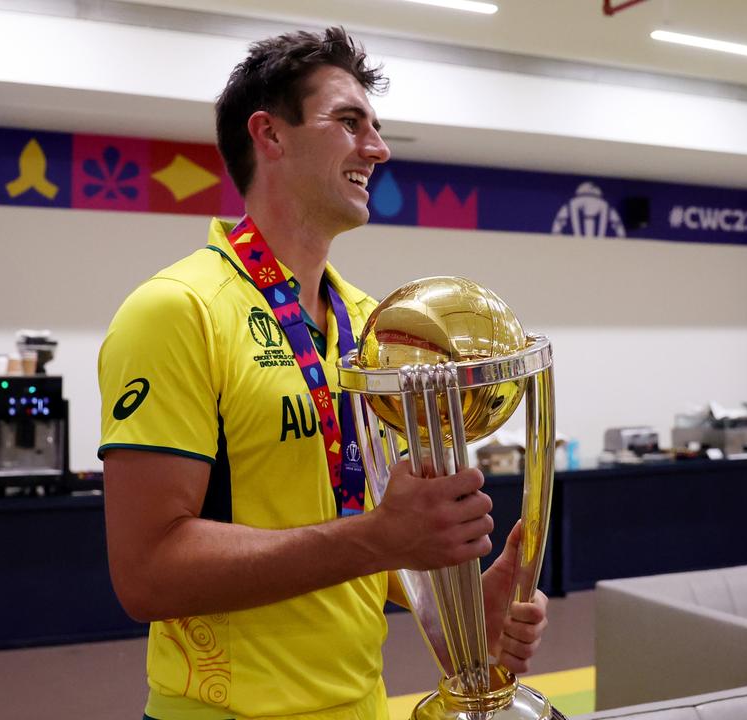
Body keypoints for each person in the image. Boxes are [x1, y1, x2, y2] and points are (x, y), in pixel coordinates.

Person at [98, 26, 548, 720]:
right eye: (349, 121)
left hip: (364, 703)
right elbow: (147, 571)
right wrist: (377, 538)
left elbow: (380, 541)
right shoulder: (177, 310)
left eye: (377, 126)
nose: (378, 147)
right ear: (269, 136)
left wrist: (457, 612)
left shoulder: (378, 330)